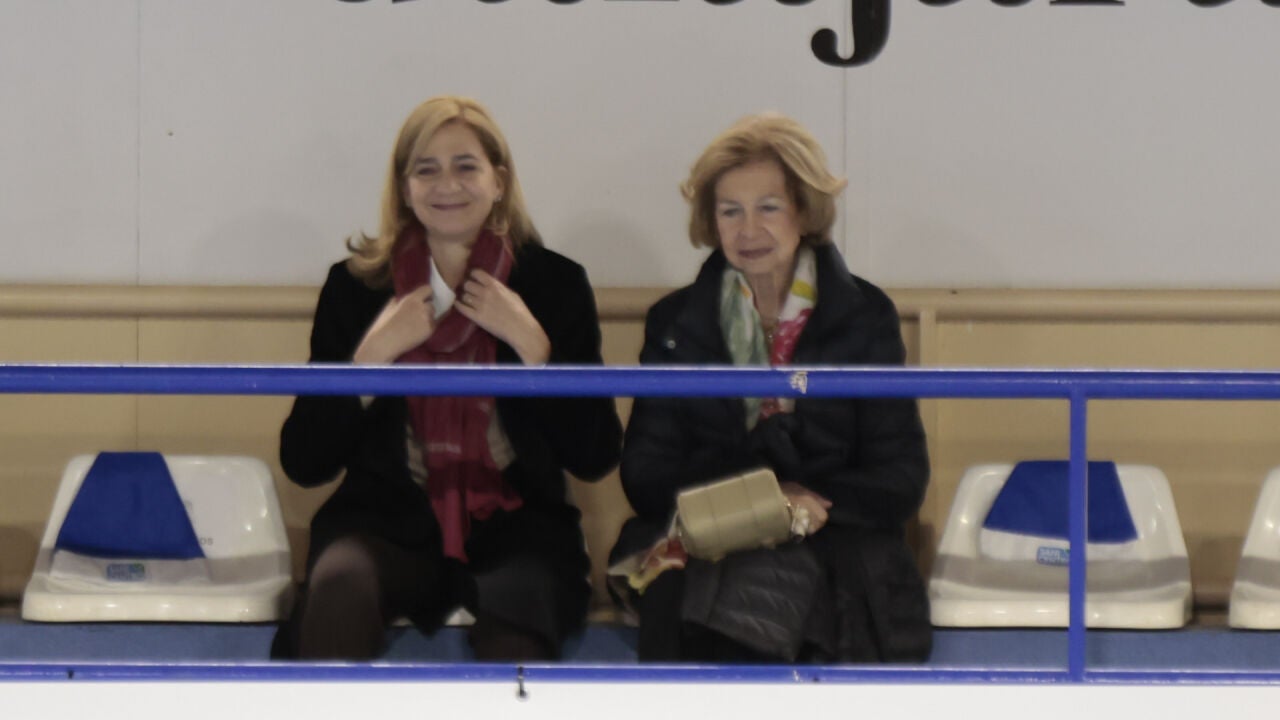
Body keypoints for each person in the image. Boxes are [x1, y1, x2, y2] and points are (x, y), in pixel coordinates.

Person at [274, 96, 622, 661]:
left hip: (517, 525)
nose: (447, 186)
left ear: (499, 180)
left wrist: (535, 349)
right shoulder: (357, 287)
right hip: (383, 520)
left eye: (466, 166)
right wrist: (368, 364)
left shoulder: (554, 283)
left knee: (518, 633)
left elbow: (595, 453)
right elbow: (304, 461)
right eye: (426, 169)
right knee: (336, 594)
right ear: (404, 187)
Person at [610, 113, 931, 663]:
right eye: (730, 211)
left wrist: (804, 508)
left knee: (805, 593)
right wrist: (760, 504)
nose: (747, 230)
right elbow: (645, 475)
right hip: (713, 533)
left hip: (832, 535)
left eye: (768, 207)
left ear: (804, 211)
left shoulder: (865, 315)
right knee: (694, 588)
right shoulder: (675, 322)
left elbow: (900, 478)